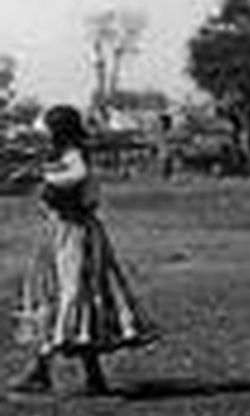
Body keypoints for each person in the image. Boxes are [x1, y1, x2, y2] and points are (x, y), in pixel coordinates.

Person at [10, 104, 158, 396]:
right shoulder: (66, 157)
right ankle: (80, 375)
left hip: (76, 235)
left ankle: (45, 371)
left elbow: (74, 176)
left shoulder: (75, 157)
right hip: (60, 234)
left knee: (75, 297)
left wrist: (42, 175)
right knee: (63, 298)